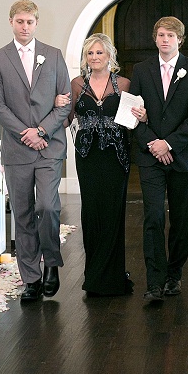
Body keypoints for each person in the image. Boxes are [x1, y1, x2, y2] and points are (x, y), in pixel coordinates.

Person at [0, 0, 71, 301]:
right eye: (20, 21)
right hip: (18, 149)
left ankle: (52, 263)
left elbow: (65, 100)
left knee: (47, 208)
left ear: (36, 23)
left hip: (49, 147)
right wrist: (27, 134)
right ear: (11, 21)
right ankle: (31, 279)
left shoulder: (53, 55)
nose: (25, 27)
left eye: (30, 22)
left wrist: (42, 131)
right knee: (22, 214)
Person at [130, 16, 188, 301]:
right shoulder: (141, 70)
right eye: (160, 35)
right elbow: (133, 113)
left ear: (179, 40)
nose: (165, 40)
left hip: (182, 155)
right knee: (153, 216)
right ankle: (154, 281)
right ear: (155, 38)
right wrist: (153, 144)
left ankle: (174, 275)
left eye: (170, 36)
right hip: (150, 155)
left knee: (180, 217)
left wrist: (169, 144)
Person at [65, 33, 135, 296]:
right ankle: (93, 276)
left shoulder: (124, 83)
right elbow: (66, 118)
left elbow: (133, 120)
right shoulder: (76, 84)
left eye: (99, 53)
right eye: (90, 54)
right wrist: (56, 105)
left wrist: (142, 115)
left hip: (117, 155)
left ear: (109, 56)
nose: (94, 58)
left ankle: (114, 276)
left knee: (113, 210)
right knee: (91, 211)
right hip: (87, 155)